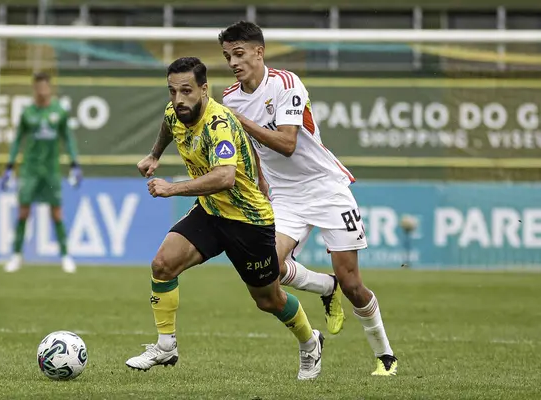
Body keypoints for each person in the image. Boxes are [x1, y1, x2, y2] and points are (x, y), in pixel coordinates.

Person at [125, 57, 323, 380]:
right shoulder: (174, 112)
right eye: (172, 91)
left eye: (187, 91)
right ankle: (165, 346)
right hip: (212, 211)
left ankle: (310, 341)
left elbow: (225, 177)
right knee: (162, 265)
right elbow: (167, 126)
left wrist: (172, 189)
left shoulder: (219, 124)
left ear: (204, 90)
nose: (178, 100)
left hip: (248, 220)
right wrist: (154, 155)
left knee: (269, 299)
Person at [219, 21, 397, 376]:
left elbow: (287, 144)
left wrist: (240, 121)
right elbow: (252, 147)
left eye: (239, 54)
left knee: (353, 283)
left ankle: (385, 356)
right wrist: (259, 178)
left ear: (259, 52)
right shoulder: (229, 97)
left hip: (326, 187)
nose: (234, 63)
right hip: (285, 195)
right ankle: (325, 287)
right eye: (227, 56)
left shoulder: (286, 84)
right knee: (269, 268)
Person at [0, 72, 82, 274]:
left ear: (49, 88)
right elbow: (18, 139)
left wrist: (74, 163)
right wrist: (10, 166)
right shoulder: (27, 113)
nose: (42, 91)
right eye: (38, 87)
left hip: (51, 169)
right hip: (29, 170)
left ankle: (65, 256)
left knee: (56, 213)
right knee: (23, 212)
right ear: (34, 89)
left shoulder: (59, 112)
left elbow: (68, 139)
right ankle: (16, 255)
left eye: (45, 87)